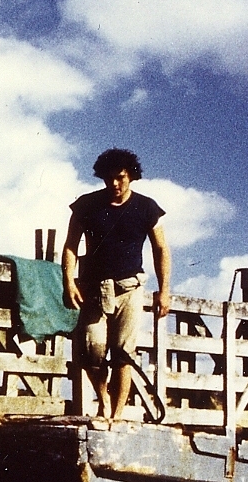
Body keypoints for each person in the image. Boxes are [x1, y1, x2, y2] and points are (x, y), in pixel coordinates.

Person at [61, 147, 172, 421]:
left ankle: (117, 415)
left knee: (124, 352)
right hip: (93, 289)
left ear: (131, 176)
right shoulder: (86, 205)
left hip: (130, 288)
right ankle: (104, 399)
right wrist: (68, 282)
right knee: (92, 350)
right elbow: (70, 246)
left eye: (120, 177)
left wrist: (164, 290)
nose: (114, 184)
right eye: (108, 178)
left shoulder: (147, 208)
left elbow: (161, 249)